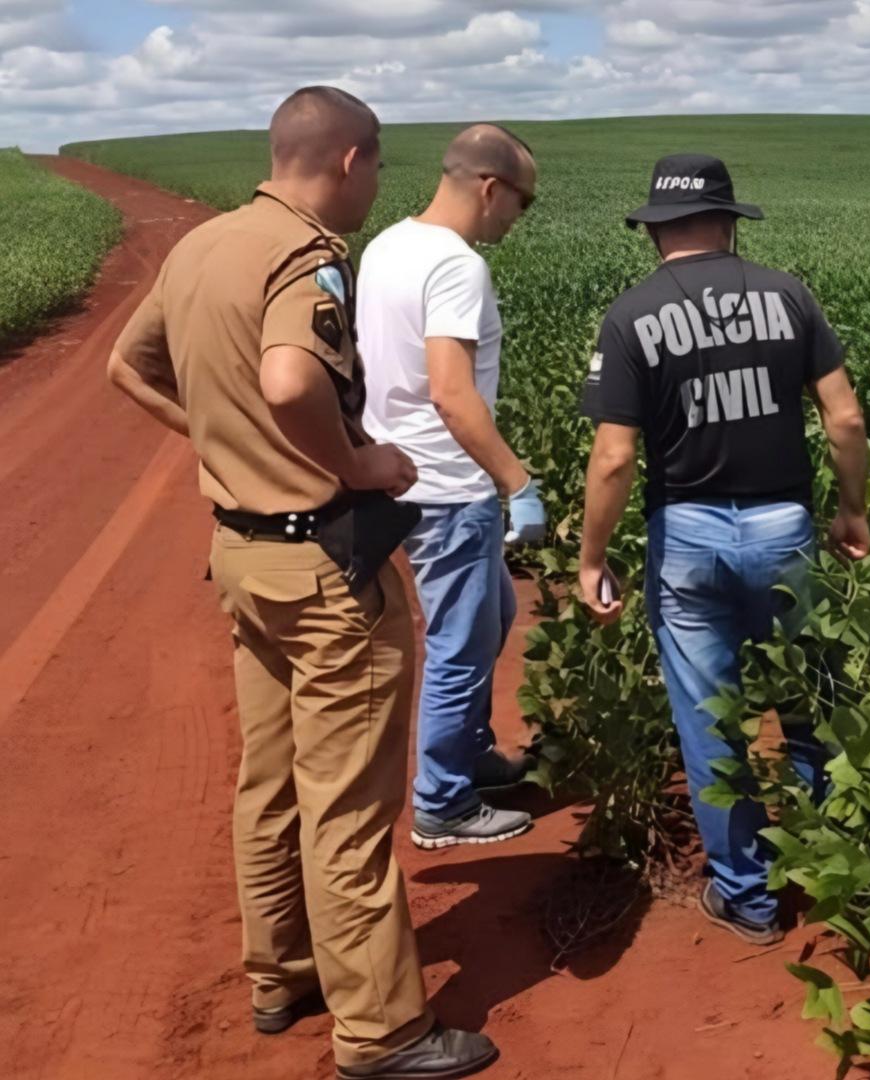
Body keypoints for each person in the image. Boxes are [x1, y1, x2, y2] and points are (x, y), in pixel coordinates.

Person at [106, 87, 497, 1080]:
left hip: (240, 554)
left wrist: (223, 443)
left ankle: (281, 975)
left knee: (267, 782)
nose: (374, 189)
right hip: (324, 567)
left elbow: (127, 365)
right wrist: (355, 466)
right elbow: (290, 379)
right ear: (351, 160)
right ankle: (382, 1032)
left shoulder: (199, 245)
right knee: (348, 805)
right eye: (376, 171)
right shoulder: (306, 254)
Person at [576, 153, 870, 945]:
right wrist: (852, 512)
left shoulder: (630, 314)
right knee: (808, 697)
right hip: (783, 527)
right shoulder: (789, 294)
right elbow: (844, 420)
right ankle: (817, 854)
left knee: (712, 719)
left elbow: (612, 458)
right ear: (731, 221)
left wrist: (591, 557)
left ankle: (748, 899)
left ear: (655, 232)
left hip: (689, 536)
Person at [357, 124, 544, 850]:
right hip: (447, 485)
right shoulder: (456, 266)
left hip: (400, 475)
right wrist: (516, 481)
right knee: (461, 644)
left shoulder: (384, 245)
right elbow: (451, 393)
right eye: (519, 205)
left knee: (492, 613)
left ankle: (468, 755)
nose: (514, 221)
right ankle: (442, 802)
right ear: (491, 189)